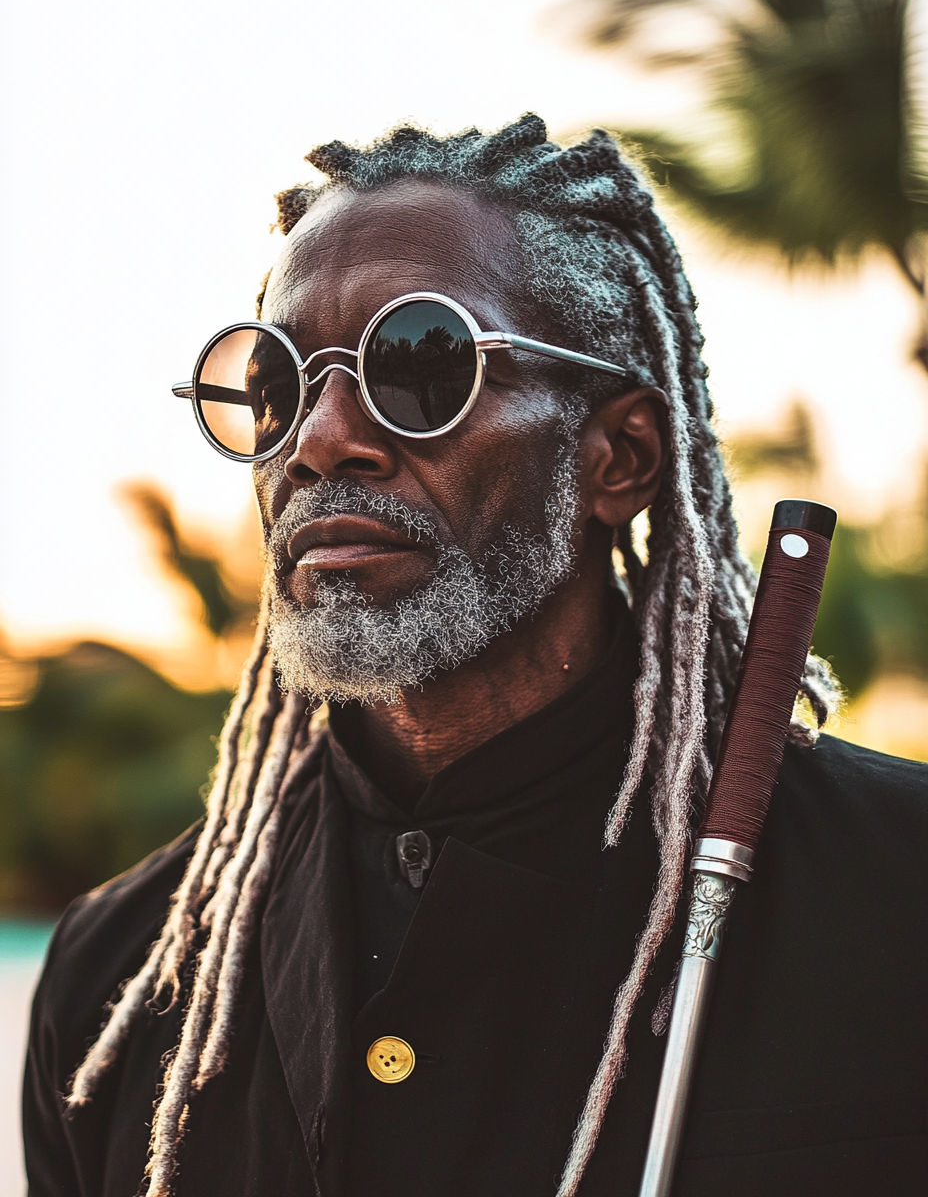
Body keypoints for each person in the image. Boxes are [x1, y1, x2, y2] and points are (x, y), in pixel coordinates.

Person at [23, 115, 928, 1197]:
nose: (317, 439)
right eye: (275, 383)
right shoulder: (119, 972)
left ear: (619, 457)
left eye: (418, 362)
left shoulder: (895, 890)